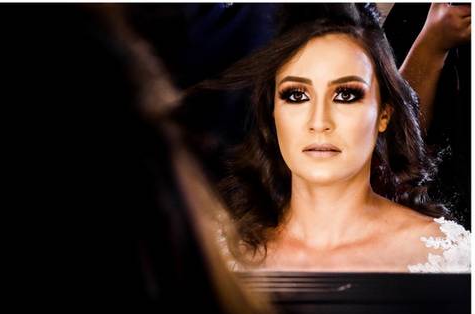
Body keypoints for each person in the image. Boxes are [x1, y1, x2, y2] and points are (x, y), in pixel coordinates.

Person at [185, 4, 470, 273]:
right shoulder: (221, 258)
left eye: (346, 95)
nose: (319, 122)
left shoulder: (449, 254)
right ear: (272, 113)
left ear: (384, 114)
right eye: (297, 95)